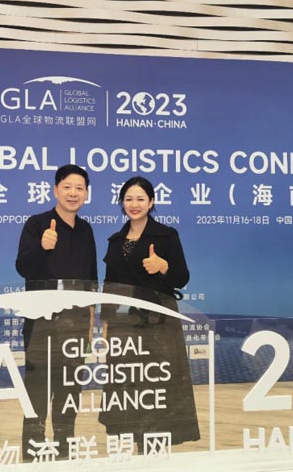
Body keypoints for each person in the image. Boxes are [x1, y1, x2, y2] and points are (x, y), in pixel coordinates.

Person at [99, 176, 200, 451]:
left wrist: (163, 266)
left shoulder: (166, 235)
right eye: (129, 199)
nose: (134, 204)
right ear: (122, 202)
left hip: (158, 324)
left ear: (151, 202)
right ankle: (129, 448)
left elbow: (182, 277)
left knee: (156, 382)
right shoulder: (115, 240)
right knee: (126, 382)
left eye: (140, 199)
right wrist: (105, 323)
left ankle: (154, 448)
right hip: (123, 325)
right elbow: (109, 285)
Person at [15, 164, 97, 460]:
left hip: (76, 324)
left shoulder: (86, 230)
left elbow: (91, 279)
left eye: (79, 188)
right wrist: (42, 246)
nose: (73, 193)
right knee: (38, 389)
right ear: (55, 190)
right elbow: (23, 267)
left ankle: (65, 449)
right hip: (42, 322)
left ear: (86, 194)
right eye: (67, 187)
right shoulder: (37, 224)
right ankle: (33, 451)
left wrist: (91, 322)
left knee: (70, 390)